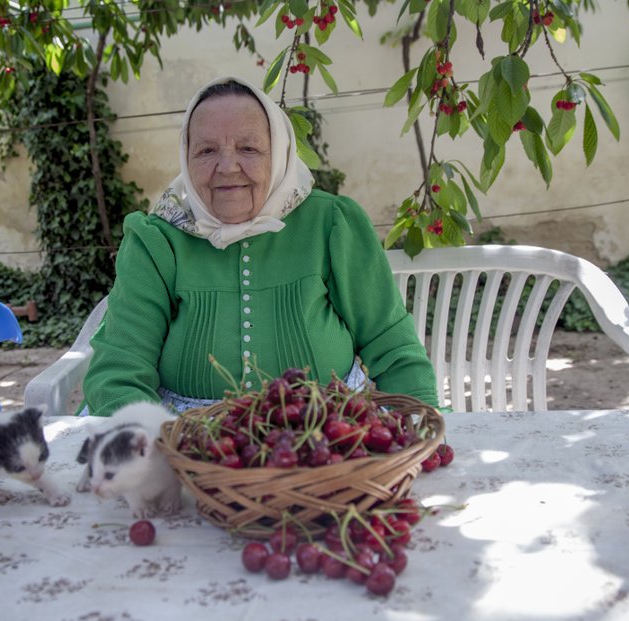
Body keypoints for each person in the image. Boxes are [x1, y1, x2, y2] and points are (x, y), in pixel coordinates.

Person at [83, 76, 438, 415]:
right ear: (186, 157)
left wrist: (420, 424)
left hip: (330, 443)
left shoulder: (331, 224)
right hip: (184, 445)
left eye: (248, 148)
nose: (227, 166)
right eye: (206, 150)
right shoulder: (157, 240)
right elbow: (118, 372)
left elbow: (392, 345)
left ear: (279, 152)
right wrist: (153, 453)